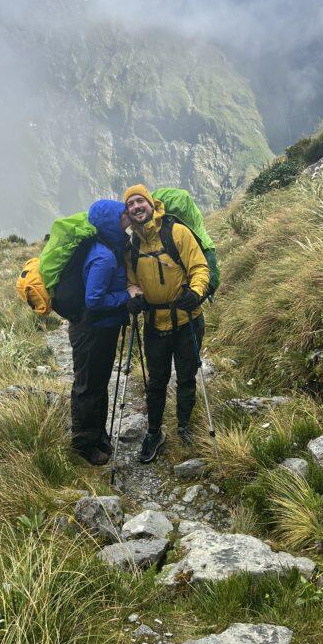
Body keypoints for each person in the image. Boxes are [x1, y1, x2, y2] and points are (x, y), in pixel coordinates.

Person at [123, 184, 210, 463]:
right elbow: (131, 281)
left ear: (151, 203)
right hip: (154, 323)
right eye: (130, 205)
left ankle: (183, 426)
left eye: (140, 201)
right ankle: (153, 432)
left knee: (186, 376)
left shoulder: (176, 232)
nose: (136, 207)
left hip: (187, 319)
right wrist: (134, 296)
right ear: (128, 212)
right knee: (156, 381)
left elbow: (199, 267)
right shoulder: (133, 245)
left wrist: (195, 292)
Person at [68, 200, 131, 466]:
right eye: (122, 215)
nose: (127, 217)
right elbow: (94, 300)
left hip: (101, 329)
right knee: (88, 386)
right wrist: (125, 296)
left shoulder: (111, 247)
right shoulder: (103, 257)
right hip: (91, 331)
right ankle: (83, 445)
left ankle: (97, 434)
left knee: (98, 383)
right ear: (110, 222)